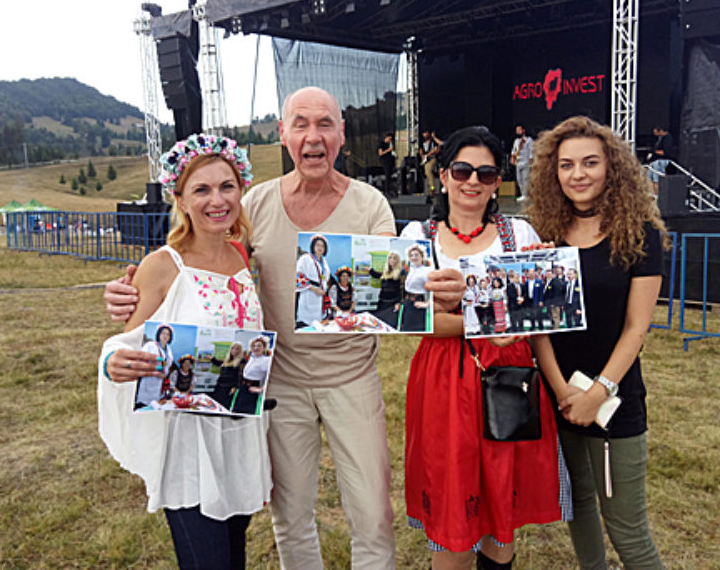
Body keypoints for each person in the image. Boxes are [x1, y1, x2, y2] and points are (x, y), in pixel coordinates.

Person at [103, 86, 465, 570]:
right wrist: (135, 287)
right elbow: (200, 262)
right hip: (280, 386)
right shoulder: (254, 204)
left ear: (341, 136)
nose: (312, 136)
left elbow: (394, 290)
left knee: (373, 515)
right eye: (300, 124)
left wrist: (433, 291)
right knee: (290, 517)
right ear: (283, 136)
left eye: (324, 124)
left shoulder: (370, 204)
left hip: (351, 380)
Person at [97, 133, 270, 569]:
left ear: (241, 190)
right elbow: (125, 342)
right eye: (202, 189)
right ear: (180, 198)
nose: (217, 200)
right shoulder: (163, 264)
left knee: (234, 555)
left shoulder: (242, 256)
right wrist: (114, 362)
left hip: (239, 433)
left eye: (226, 186)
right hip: (189, 442)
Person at [400, 125, 569, 570]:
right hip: (444, 378)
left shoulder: (521, 234)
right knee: (453, 506)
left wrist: (543, 283)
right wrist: (483, 321)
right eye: (461, 169)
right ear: (442, 175)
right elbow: (415, 322)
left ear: (498, 182)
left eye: (486, 173)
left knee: (500, 508)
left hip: (508, 374)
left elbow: (538, 316)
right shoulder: (419, 238)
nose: (472, 180)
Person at [526, 115, 667, 569]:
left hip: (614, 403)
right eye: (566, 165)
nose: (578, 174)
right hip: (561, 399)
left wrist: (597, 392)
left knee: (627, 530)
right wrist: (562, 390)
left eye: (590, 162)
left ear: (612, 167)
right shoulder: (543, 235)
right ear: (554, 172)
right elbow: (539, 325)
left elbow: (636, 328)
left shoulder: (640, 233)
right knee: (580, 507)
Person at [295, 233, 331, 327]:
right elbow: (298, 276)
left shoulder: (324, 261)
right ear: (313, 246)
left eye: (322, 246)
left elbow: (324, 277)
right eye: (318, 245)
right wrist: (314, 289)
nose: (320, 248)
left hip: (321, 294)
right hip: (309, 292)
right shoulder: (305, 258)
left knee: (319, 322)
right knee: (306, 322)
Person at [137, 323, 174, 408]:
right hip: (150, 379)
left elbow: (168, 363)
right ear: (159, 334)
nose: (165, 336)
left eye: (168, 334)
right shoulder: (150, 345)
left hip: (161, 382)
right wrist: (154, 372)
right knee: (146, 404)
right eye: (163, 333)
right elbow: (141, 360)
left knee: (158, 403)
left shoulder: (168, 349)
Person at [232, 335, 271, 415]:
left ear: (264, 348)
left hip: (252, 388)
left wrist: (261, 389)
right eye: (254, 346)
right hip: (243, 387)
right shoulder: (252, 358)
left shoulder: (266, 360)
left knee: (246, 412)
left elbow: (272, 376)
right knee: (236, 410)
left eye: (259, 346)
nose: (256, 348)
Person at [368, 250, 404, 328]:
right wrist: (370, 270)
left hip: (392, 303)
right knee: (379, 323)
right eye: (390, 258)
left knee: (389, 325)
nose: (391, 260)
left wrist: (399, 303)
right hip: (382, 302)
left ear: (398, 260)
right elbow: (378, 275)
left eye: (394, 258)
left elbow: (403, 289)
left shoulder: (401, 272)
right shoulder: (386, 272)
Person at [400, 243, 432, 332]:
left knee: (414, 330)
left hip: (417, 304)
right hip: (407, 303)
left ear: (422, 256)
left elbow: (435, 289)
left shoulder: (427, 271)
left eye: (416, 255)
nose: (414, 257)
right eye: (412, 255)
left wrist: (427, 304)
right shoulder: (411, 269)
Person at [211, 342, 245, 409]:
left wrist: (235, 387)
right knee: (216, 403)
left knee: (225, 405)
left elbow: (241, 375)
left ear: (240, 351)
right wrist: (212, 359)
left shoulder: (241, 361)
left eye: (237, 349)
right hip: (220, 385)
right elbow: (220, 363)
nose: (234, 350)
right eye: (233, 348)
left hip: (229, 387)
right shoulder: (228, 360)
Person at [646, 125, 676, 195]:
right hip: (654, 161)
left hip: (660, 161)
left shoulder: (668, 138)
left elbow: (665, 152)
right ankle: (652, 194)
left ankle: (658, 195)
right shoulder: (660, 138)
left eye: (656, 132)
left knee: (657, 180)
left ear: (661, 131)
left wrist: (654, 151)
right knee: (649, 179)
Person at [510, 125, 533, 201]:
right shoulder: (516, 141)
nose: (517, 132)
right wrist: (512, 158)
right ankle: (523, 194)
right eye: (516, 130)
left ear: (523, 130)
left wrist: (531, 160)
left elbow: (531, 151)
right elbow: (513, 150)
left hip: (526, 162)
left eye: (519, 130)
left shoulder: (528, 140)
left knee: (525, 179)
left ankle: (526, 195)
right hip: (518, 162)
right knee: (519, 179)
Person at [420, 129, 442, 199]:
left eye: (426, 133)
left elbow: (437, 150)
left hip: (433, 158)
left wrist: (429, 154)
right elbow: (421, 152)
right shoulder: (422, 143)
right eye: (423, 133)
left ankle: (432, 188)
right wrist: (423, 156)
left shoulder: (433, 142)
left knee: (428, 170)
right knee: (427, 172)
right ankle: (431, 188)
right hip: (426, 160)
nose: (424, 135)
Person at [378, 132, 397, 198]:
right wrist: (388, 150)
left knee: (390, 176)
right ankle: (386, 191)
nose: (390, 140)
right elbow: (380, 153)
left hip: (390, 161)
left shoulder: (390, 144)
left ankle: (391, 190)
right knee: (387, 176)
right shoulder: (382, 144)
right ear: (387, 137)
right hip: (385, 162)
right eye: (389, 139)